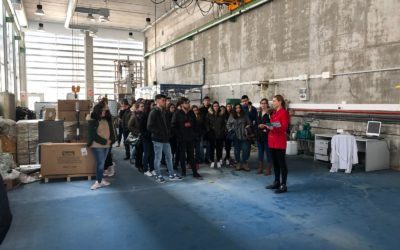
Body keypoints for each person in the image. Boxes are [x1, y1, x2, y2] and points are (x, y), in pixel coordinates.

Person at [147, 94, 182, 183]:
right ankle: (158, 176)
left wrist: (168, 133)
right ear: (157, 101)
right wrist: (160, 133)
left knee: (169, 157)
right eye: (163, 100)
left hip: (166, 139)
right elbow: (149, 127)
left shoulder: (164, 112)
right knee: (158, 158)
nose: (165, 102)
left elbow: (168, 125)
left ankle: (171, 174)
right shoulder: (153, 112)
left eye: (165, 100)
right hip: (158, 139)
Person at [172, 97, 203, 179]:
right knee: (182, 155)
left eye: (189, 103)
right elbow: (173, 126)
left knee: (191, 155)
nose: (188, 104)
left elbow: (196, 125)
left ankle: (194, 172)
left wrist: (195, 134)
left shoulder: (191, 113)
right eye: (186, 103)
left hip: (191, 138)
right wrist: (179, 135)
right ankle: (183, 171)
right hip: (182, 138)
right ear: (182, 104)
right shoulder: (177, 113)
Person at [87, 102, 115, 190]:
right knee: (100, 164)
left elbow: (111, 131)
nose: (105, 112)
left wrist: (111, 141)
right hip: (97, 145)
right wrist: (105, 141)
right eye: (103, 110)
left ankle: (100, 180)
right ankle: (98, 182)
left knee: (102, 164)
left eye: (105, 110)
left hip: (106, 146)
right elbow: (93, 135)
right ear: (98, 111)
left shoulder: (106, 119)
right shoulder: (93, 120)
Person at [265, 95, 290, 194]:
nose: (273, 103)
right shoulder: (274, 113)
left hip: (279, 141)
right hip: (272, 141)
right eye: (273, 101)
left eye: (274, 101)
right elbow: (273, 124)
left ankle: (283, 184)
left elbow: (284, 127)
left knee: (281, 163)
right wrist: (268, 125)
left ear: (280, 102)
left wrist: (272, 127)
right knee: (275, 163)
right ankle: (276, 181)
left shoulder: (283, 113)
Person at [227, 104, 251, 171]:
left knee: (245, 150)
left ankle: (244, 163)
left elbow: (249, 123)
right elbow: (228, 124)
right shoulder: (232, 115)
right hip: (235, 136)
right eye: (236, 108)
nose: (238, 109)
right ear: (234, 109)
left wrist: (247, 126)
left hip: (244, 135)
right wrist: (231, 130)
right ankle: (238, 163)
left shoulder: (244, 115)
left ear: (241, 108)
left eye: (239, 107)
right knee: (236, 151)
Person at [206, 101, 226, 168]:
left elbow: (224, 124)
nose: (216, 107)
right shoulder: (209, 114)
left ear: (219, 107)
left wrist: (222, 131)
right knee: (211, 148)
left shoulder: (222, 114)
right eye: (214, 106)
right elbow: (206, 123)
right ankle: (212, 161)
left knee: (219, 148)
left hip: (219, 134)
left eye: (217, 106)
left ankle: (218, 160)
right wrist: (209, 130)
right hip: (212, 134)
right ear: (212, 107)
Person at [256, 98, 273, 175]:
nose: (263, 104)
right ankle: (260, 167)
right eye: (262, 103)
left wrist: (265, 125)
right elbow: (256, 123)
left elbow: (274, 124)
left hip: (267, 136)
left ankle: (268, 168)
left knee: (268, 152)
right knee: (260, 152)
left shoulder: (270, 113)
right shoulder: (258, 113)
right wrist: (258, 126)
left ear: (267, 104)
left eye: (265, 103)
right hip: (259, 136)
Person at [128, 101, 145, 172]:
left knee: (141, 151)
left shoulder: (143, 114)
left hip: (142, 136)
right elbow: (129, 126)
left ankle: (139, 164)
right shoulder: (134, 116)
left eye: (143, 106)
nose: (143, 108)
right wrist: (137, 132)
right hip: (138, 136)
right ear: (137, 108)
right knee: (139, 151)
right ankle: (139, 165)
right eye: (141, 106)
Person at [141, 100, 156, 177]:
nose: (154, 106)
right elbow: (142, 128)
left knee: (152, 154)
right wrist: (147, 134)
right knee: (147, 154)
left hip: (152, 137)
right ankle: (145, 169)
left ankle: (152, 169)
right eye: (152, 105)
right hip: (146, 138)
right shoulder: (144, 115)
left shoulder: (153, 114)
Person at [199, 96, 212, 163]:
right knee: (201, 145)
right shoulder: (200, 109)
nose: (207, 102)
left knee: (208, 145)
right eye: (205, 100)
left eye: (208, 100)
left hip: (209, 130)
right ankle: (201, 158)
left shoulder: (211, 109)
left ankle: (207, 158)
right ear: (203, 101)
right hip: (202, 129)